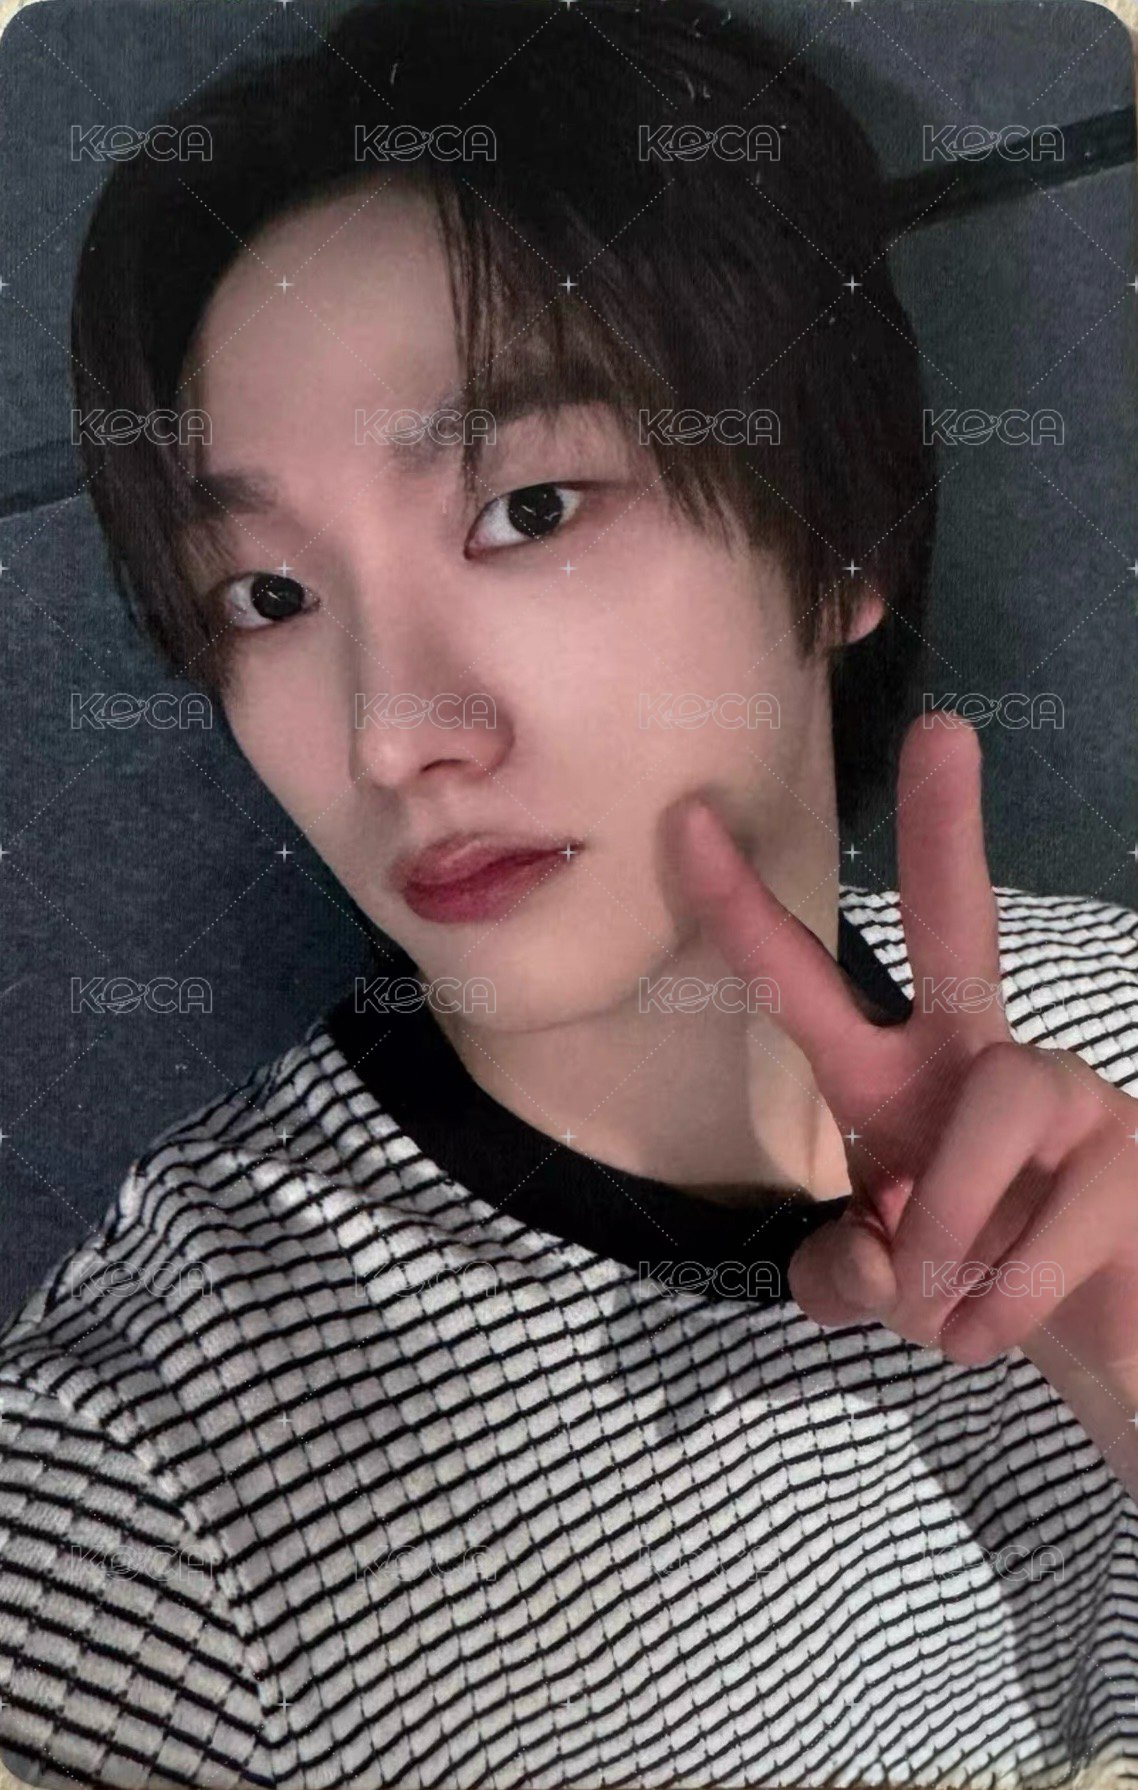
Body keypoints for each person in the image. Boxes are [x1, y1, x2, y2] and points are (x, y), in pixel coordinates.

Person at [1, 0, 1136, 1785]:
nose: (392, 734)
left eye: (527, 508)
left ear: (837, 533)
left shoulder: (1119, 1021)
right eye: (269, 598)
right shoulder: (144, 1485)